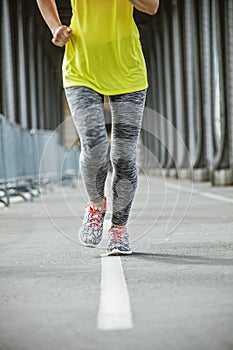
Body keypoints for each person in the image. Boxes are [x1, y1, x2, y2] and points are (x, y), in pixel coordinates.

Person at [36, 0, 159, 256]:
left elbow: (152, 6)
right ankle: (95, 205)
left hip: (128, 70)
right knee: (94, 145)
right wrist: (55, 26)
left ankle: (119, 230)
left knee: (123, 157)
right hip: (81, 68)